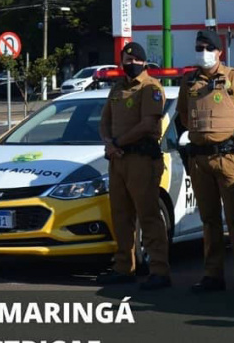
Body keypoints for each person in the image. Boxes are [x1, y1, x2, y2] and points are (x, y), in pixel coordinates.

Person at [177, 30, 234, 295]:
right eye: (198, 46)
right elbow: (183, 115)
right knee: (209, 220)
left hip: (228, 158)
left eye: (206, 47)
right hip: (200, 160)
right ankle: (212, 275)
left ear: (218, 52)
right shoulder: (189, 81)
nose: (201, 51)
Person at [96, 42, 171, 291]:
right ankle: (123, 267)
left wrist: (118, 142)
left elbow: (148, 125)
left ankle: (159, 269)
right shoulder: (118, 88)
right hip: (118, 160)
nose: (128, 64)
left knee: (148, 215)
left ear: (142, 61)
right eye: (124, 60)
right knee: (121, 215)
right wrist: (109, 143)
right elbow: (105, 120)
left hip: (141, 160)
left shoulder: (150, 88)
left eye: (133, 60)